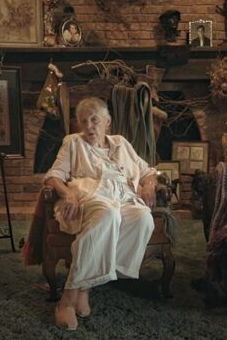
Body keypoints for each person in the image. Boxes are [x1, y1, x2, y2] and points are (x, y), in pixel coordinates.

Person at [44, 97, 157, 330]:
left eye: (94, 120)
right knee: (108, 215)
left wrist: (148, 185)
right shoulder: (73, 143)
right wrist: (67, 193)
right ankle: (67, 298)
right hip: (90, 195)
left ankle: (87, 286)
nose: (88, 126)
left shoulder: (121, 143)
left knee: (143, 218)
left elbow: (147, 171)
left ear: (108, 122)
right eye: (83, 121)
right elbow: (54, 174)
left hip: (125, 197)